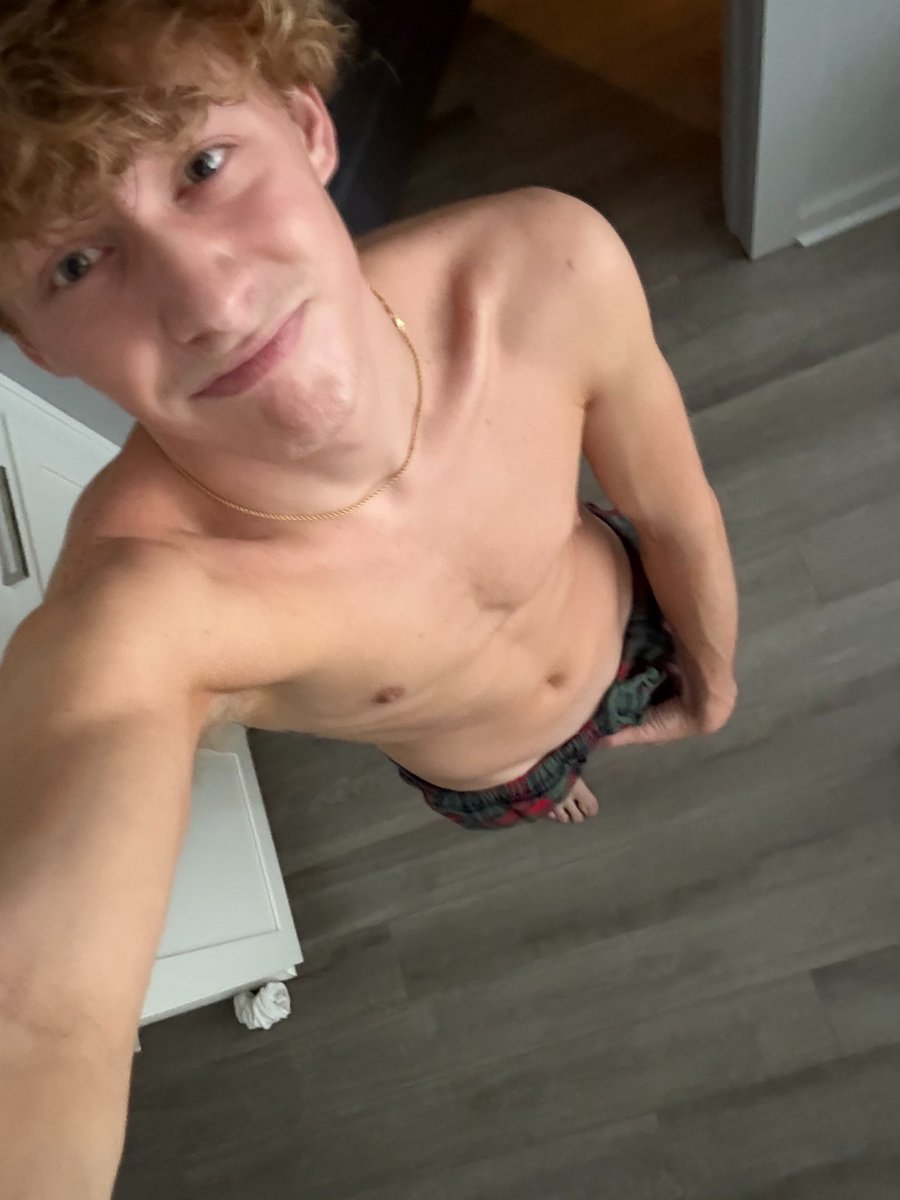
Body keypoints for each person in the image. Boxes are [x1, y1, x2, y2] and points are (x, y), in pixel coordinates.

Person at [0, 0, 738, 1194]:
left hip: (637, 631)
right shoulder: (143, 606)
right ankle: (554, 787)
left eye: (203, 165)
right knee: (543, 790)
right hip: (489, 776)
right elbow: (37, 1021)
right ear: (37, 347)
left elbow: (675, 515)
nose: (209, 300)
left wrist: (711, 676)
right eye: (75, 263)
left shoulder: (545, 270)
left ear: (307, 124)